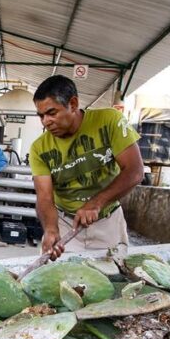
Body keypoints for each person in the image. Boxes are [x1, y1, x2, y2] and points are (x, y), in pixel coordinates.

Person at [29, 75, 144, 259]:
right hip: (65, 223)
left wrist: (96, 203)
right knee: (60, 274)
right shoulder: (39, 148)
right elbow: (44, 197)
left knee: (112, 272)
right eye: (41, 116)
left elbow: (135, 171)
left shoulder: (109, 120)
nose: (45, 121)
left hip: (108, 221)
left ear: (73, 104)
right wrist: (51, 229)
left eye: (52, 113)